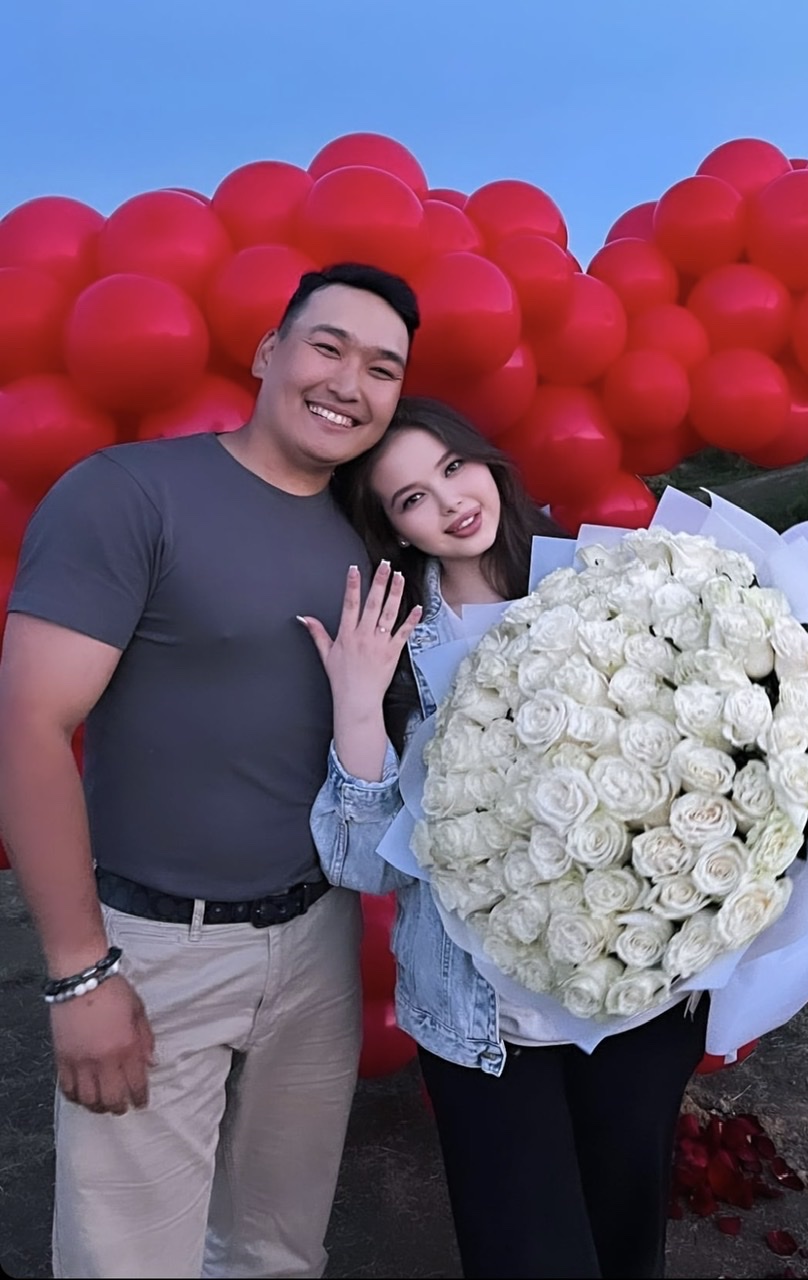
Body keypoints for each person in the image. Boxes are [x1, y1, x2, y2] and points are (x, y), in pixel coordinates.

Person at [0, 262, 420, 1280]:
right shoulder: (130, 491)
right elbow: (27, 722)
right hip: (154, 946)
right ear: (269, 354)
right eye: (327, 347)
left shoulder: (370, 540)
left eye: (382, 368)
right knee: (128, 1260)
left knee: (278, 1248)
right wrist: (80, 971)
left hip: (316, 941)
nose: (349, 383)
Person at [306, 396, 710, 1280]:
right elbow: (359, 861)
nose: (450, 502)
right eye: (412, 498)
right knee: (525, 1255)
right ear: (395, 528)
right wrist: (358, 702)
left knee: (626, 1245)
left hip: (633, 1000)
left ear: (487, 462)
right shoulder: (395, 643)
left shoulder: (607, 584)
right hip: (485, 1025)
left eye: (453, 467)